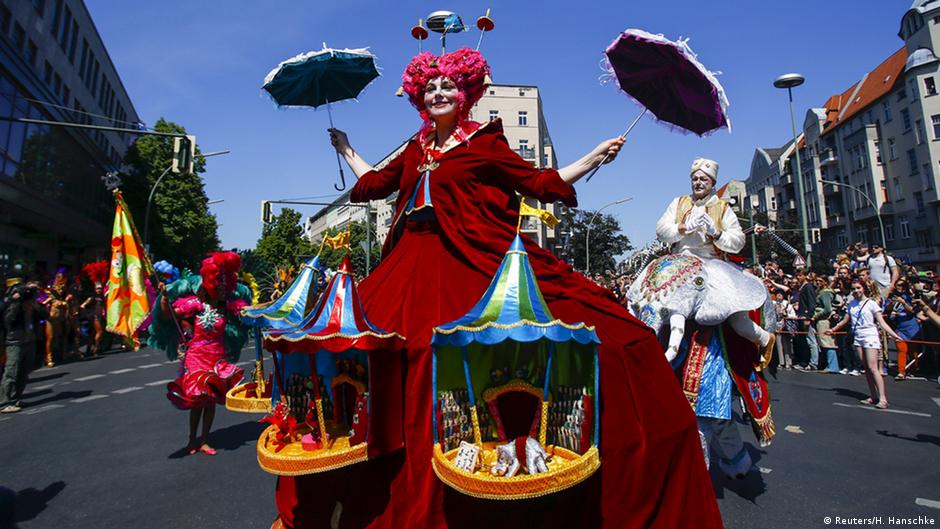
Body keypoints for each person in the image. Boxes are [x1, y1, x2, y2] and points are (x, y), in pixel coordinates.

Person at [276, 48, 724, 529]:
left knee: (613, 343)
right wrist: (346, 149)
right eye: (430, 87)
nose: (439, 93)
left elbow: (539, 182)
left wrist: (594, 156)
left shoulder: (486, 142)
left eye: (448, 86)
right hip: (406, 267)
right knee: (356, 347)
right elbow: (376, 184)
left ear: (466, 93)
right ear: (419, 97)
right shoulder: (414, 148)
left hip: (471, 259)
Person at [654, 158, 774, 361]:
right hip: (680, 262)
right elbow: (661, 230)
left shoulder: (723, 208)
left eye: (704, 179)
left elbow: (738, 241)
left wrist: (716, 233)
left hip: (712, 265)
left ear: (712, 183)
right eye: (695, 179)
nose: (698, 183)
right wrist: (683, 227)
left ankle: (764, 339)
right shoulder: (678, 202)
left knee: (736, 318)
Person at [154, 252, 251, 455]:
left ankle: (204, 440)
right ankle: (192, 440)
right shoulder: (195, 305)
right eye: (219, 284)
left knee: (211, 401)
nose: (223, 288)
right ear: (210, 284)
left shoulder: (227, 309)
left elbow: (249, 314)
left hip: (217, 358)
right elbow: (169, 315)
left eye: (225, 284)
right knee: (197, 400)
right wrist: (163, 299)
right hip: (197, 358)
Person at [829, 279, 903, 409]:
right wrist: (833, 329)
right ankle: (873, 396)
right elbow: (845, 320)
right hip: (858, 336)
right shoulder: (851, 304)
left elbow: (881, 322)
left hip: (870, 335)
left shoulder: (872, 304)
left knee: (873, 367)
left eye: (858, 288)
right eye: (854, 289)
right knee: (867, 369)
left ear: (864, 288)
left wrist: (894, 335)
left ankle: (883, 398)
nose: (856, 291)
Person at [0, 278, 41, 413]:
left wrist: (34, 301)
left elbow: (44, 315)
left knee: (24, 372)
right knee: (11, 372)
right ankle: (4, 402)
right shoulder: (10, 305)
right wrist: (16, 302)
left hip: (29, 340)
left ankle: (15, 398)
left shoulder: (32, 305)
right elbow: (9, 320)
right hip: (14, 342)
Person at [885, 278, 922, 380]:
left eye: (903, 285)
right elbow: (887, 309)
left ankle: (914, 368)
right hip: (899, 328)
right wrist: (891, 305)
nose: (901, 287)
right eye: (899, 285)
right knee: (902, 349)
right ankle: (901, 371)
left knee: (913, 351)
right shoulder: (892, 297)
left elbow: (911, 311)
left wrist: (903, 302)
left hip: (911, 327)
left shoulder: (910, 297)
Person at [814, 276, 840, 373]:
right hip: (822, 319)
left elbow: (827, 309)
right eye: (816, 281)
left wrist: (815, 316)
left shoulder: (825, 293)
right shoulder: (821, 291)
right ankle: (829, 364)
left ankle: (833, 366)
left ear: (825, 282)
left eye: (820, 281)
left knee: (828, 342)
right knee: (824, 342)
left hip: (824, 320)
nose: (818, 282)